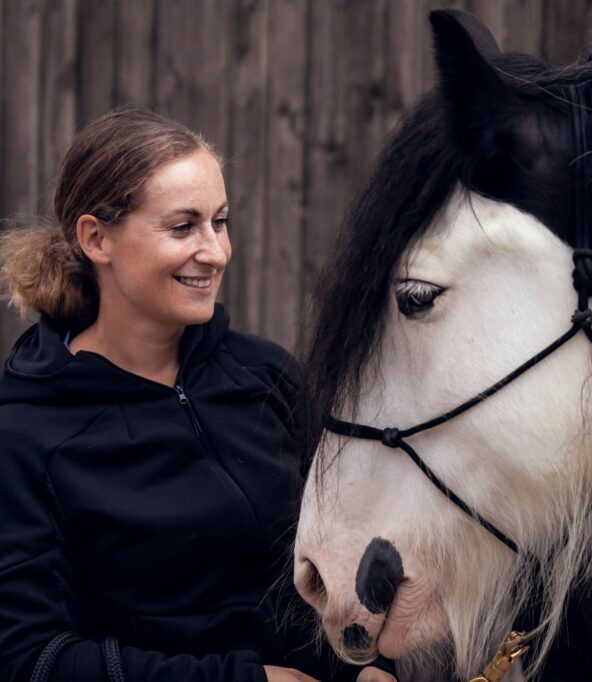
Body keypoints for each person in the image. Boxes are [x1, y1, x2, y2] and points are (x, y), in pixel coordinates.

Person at [0, 108, 393, 682]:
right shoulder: (27, 434)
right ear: (96, 238)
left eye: (220, 221)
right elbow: (30, 659)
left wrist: (373, 666)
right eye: (183, 227)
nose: (215, 251)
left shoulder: (265, 375)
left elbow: (352, 545)